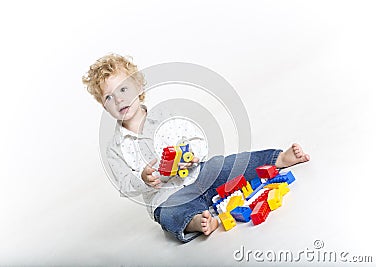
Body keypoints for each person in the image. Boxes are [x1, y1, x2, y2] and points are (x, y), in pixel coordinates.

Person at [82, 53, 310, 243]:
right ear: (104, 105)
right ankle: (196, 222)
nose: (119, 100)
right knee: (169, 215)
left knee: (227, 164)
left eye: (123, 90)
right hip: (167, 196)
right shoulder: (115, 148)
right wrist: (143, 179)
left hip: (200, 173)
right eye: (109, 97)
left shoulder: (167, 115)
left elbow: (198, 140)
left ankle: (277, 159)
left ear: (139, 86)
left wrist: (191, 155)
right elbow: (124, 184)